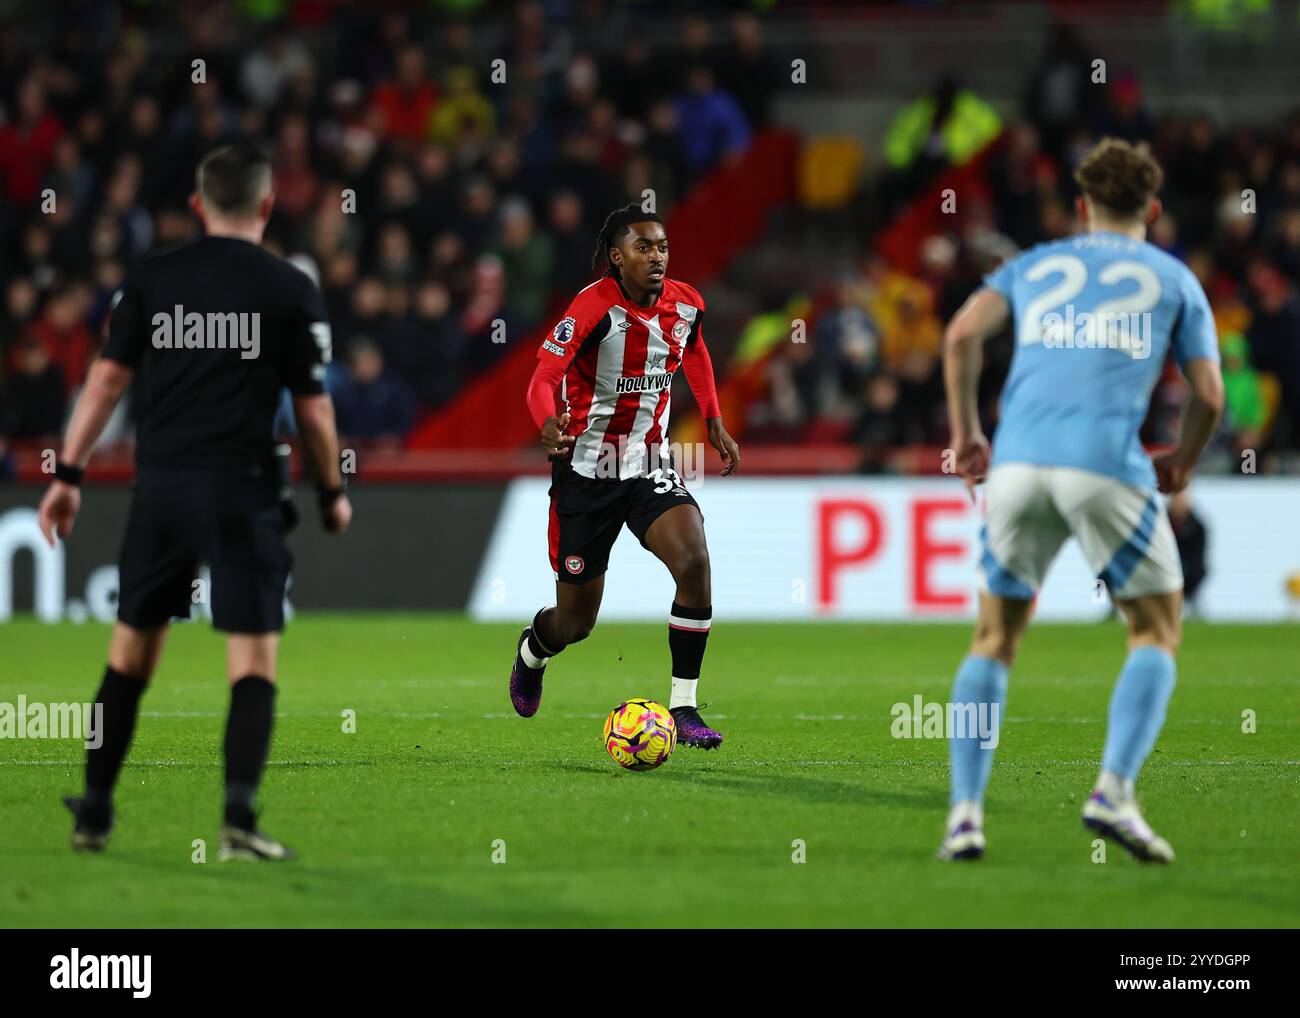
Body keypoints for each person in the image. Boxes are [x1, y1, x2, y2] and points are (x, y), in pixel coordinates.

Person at [37, 143, 353, 861]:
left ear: (197, 206)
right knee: (251, 662)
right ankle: (238, 820)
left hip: (163, 490)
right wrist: (332, 491)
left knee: (129, 658)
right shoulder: (288, 288)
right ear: (268, 207)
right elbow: (314, 412)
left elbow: (105, 383)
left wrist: (69, 476)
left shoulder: (152, 278)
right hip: (243, 490)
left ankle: (93, 810)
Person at [938, 138, 1224, 863]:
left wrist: (969, 433)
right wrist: (1182, 462)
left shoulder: (1033, 264)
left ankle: (965, 816)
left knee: (994, 638)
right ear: (1152, 210)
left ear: (1079, 208)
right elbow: (1211, 396)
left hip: (1016, 465)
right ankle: (1113, 791)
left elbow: (962, 334)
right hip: (1106, 465)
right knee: (1155, 627)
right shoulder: (1174, 278)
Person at [508, 203, 741, 748]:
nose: (656, 256)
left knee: (694, 560)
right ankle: (532, 651)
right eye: (643, 247)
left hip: (645, 463)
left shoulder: (687, 305)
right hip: (586, 474)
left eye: (662, 246)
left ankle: (683, 707)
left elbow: (697, 351)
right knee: (575, 623)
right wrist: (547, 422)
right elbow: (543, 376)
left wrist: (712, 418)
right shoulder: (591, 309)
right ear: (617, 257)